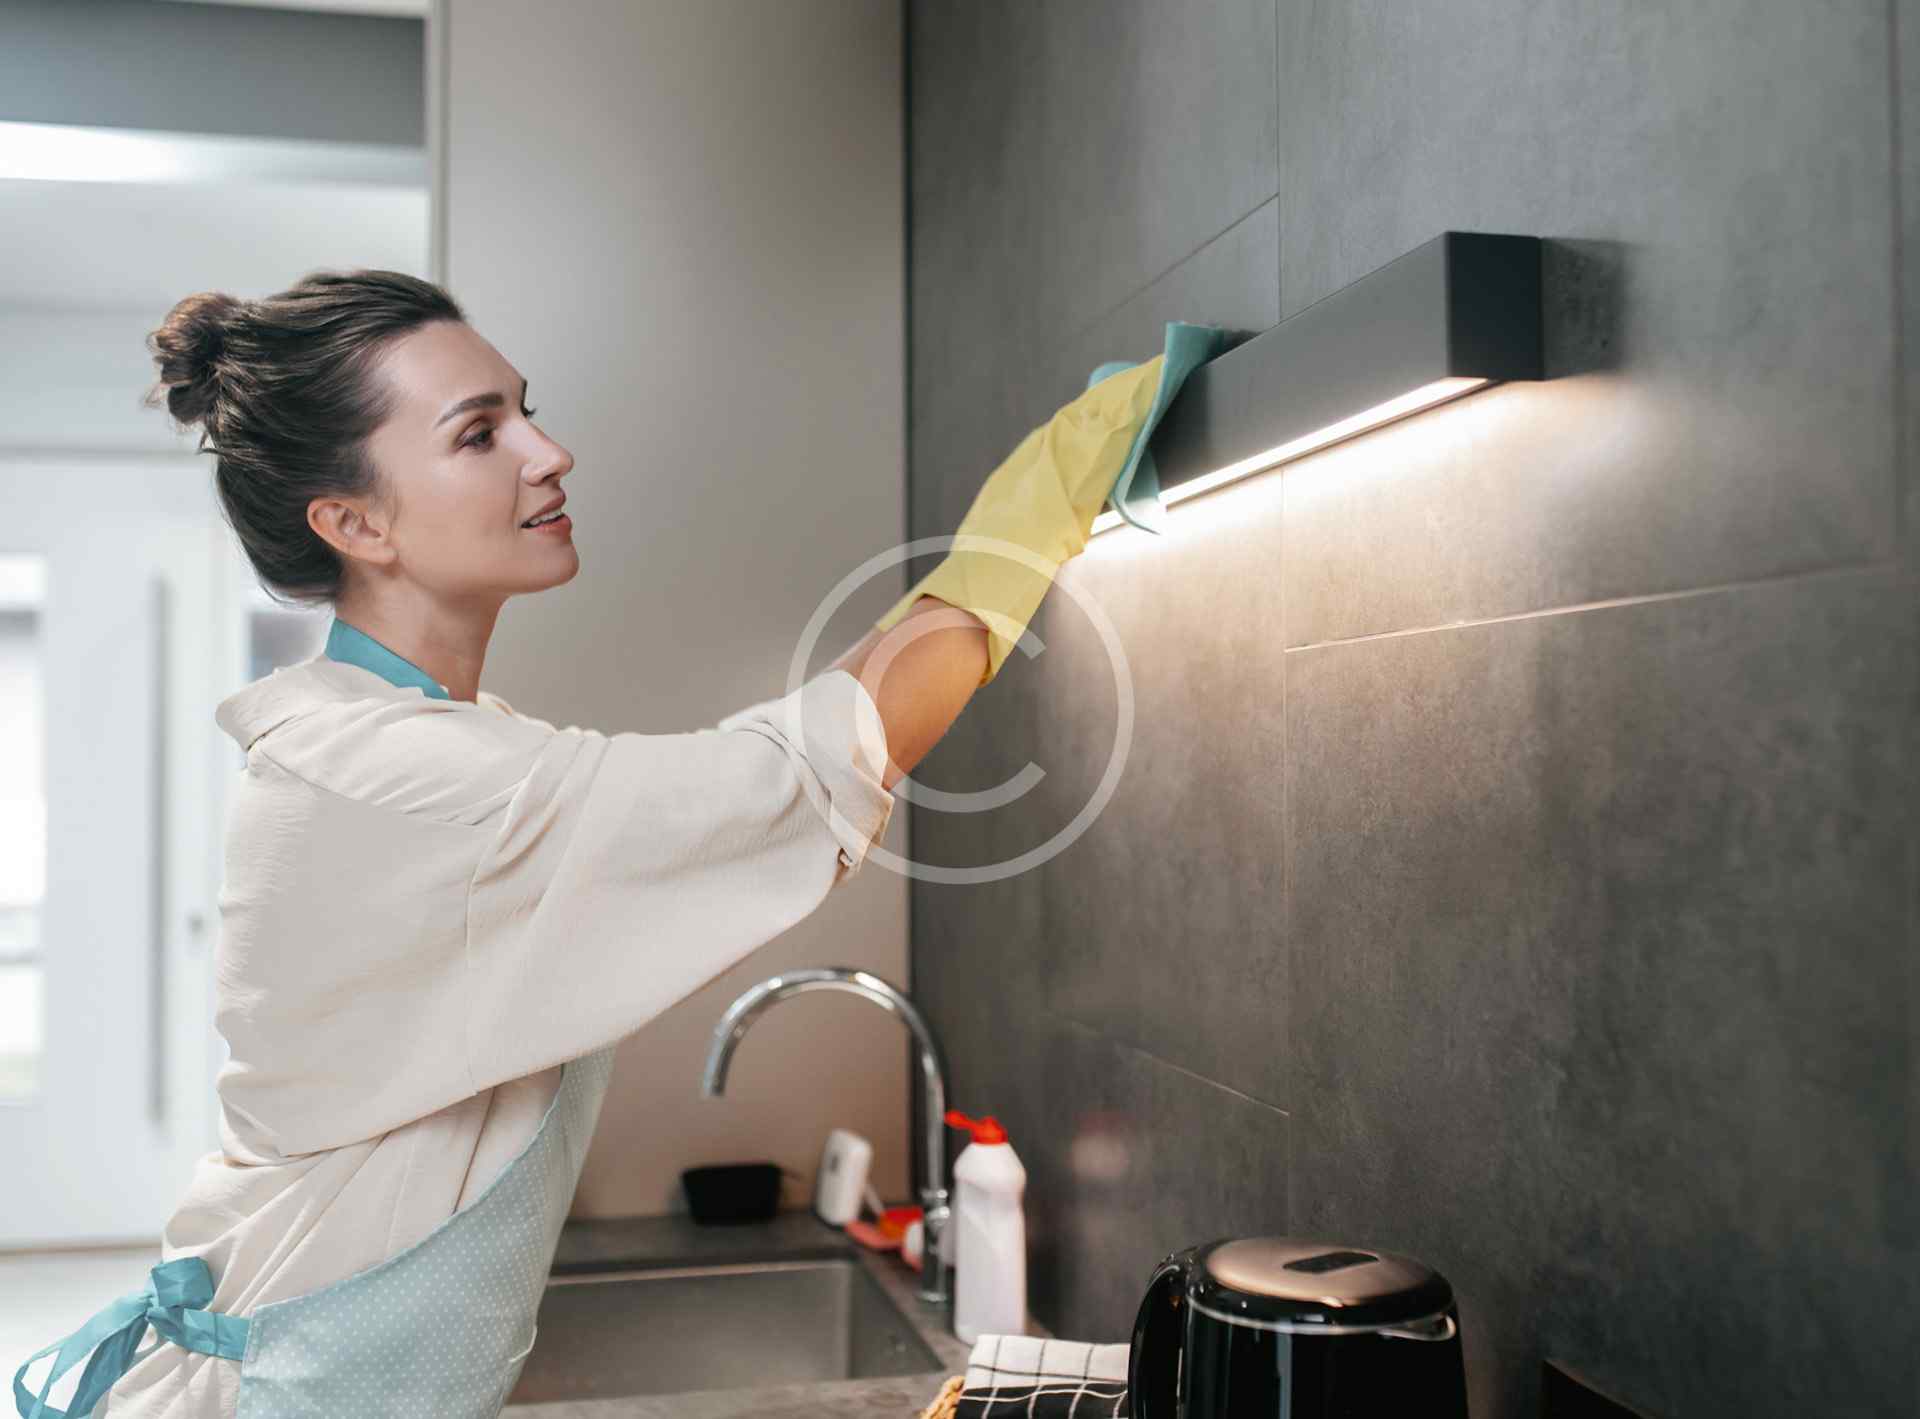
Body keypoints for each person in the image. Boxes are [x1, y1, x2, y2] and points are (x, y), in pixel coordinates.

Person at [13, 269, 1164, 1419]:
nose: (549, 450)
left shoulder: (421, 743)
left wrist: (985, 561)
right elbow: (782, 780)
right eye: (480, 433)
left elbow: (775, 761)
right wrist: (1019, 535)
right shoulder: (397, 779)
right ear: (356, 523)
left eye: (524, 407)